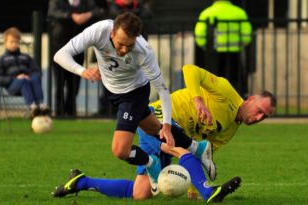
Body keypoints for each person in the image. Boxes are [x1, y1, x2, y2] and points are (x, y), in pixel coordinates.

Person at [51, 12, 220, 200]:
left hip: (134, 94)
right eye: (120, 44)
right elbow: (60, 55)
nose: (123, 50)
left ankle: (151, 162)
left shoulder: (143, 50)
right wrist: (82, 71)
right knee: (154, 130)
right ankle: (197, 147)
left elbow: (163, 90)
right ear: (112, 33)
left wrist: (167, 124)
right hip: (113, 92)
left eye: (129, 45)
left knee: (120, 150)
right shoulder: (98, 31)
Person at [50, 64, 276, 202]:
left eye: (264, 117)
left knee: (141, 193)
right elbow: (190, 70)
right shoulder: (226, 91)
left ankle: (80, 181)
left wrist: (189, 182)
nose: (258, 118)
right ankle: (209, 192)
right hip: (159, 117)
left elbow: (203, 154)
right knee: (177, 147)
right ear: (250, 100)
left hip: (178, 135)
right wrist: (198, 101)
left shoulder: (231, 129)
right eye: (259, 111)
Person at [47, 0, 107, 118]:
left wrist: (87, 15)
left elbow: (99, 11)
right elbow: (53, 13)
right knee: (59, 82)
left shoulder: (86, 2)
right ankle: (59, 112)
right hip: (59, 46)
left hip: (78, 50)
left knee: (74, 83)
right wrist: (71, 16)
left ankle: (71, 111)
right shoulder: (57, 2)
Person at [96, 0, 153, 117]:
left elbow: (148, 16)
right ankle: (105, 110)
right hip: (112, 53)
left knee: (135, 81)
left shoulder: (141, 7)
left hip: (134, 53)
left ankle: (132, 110)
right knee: (108, 80)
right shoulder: (112, 7)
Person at [194, 0, 252, 97]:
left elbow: (199, 35)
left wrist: (206, 47)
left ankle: (214, 106)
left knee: (213, 83)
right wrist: (240, 45)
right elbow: (247, 35)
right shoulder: (239, 12)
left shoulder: (207, 13)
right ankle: (236, 106)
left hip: (214, 53)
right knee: (235, 82)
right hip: (234, 52)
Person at [0, 27, 50, 118]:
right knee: (23, 80)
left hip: (29, 84)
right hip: (12, 86)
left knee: (35, 77)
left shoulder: (26, 57)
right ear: (5, 43)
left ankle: (41, 104)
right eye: (11, 42)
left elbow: (37, 71)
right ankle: (32, 106)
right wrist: (14, 79)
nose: (14, 44)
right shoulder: (2, 60)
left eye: (16, 42)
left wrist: (30, 76)